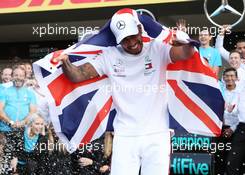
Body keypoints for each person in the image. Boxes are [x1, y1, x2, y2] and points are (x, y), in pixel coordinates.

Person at [55, 8, 195, 175]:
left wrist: (184, 42)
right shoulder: (109, 56)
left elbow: (186, 53)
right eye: (125, 39)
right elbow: (78, 75)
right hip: (125, 135)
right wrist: (65, 62)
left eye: (132, 36)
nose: (131, 42)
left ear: (140, 29)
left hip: (157, 134)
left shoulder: (157, 48)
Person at [0, 66, 37, 173]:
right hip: (6, 130)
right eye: (16, 75)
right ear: (12, 76)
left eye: (21, 75)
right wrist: (11, 122)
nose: (18, 77)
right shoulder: (4, 91)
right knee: (7, 160)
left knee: (21, 162)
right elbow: (0, 110)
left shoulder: (30, 93)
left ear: (25, 77)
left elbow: (33, 111)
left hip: (24, 131)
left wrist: (23, 122)